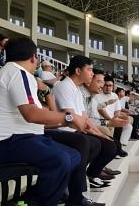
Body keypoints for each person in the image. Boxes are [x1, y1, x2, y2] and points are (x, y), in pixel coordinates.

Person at [0, 37, 104, 206]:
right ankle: (46, 205)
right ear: (34, 58)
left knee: (73, 155)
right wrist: (68, 119)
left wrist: (65, 117)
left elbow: (37, 115)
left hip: (19, 138)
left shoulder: (15, 73)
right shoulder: (18, 74)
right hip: (0, 143)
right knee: (60, 159)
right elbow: (31, 114)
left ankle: (31, 200)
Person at [49, 55, 119, 188]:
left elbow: (84, 118)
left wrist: (101, 134)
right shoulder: (63, 86)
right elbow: (72, 117)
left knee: (110, 144)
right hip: (63, 130)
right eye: (90, 70)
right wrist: (91, 130)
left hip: (74, 129)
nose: (92, 74)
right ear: (78, 71)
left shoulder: (76, 90)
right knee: (90, 142)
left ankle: (86, 176)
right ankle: (78, 186)